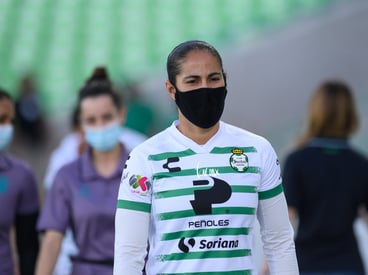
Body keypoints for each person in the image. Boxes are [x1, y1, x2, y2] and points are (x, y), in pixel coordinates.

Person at [114, 40, 299, 274]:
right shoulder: (144, 158)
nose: (205, 89)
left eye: (213, 79)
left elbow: (279, 240)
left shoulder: (257, 150)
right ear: (172, 89)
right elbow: (129, 251)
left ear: (225, 80)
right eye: (192, 81)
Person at [41, 67, 148, 275]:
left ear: (121, 114)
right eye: (91, 120)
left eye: (106, 117)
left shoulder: (142, 157)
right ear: (81, 124)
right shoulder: (65, 165)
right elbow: (52, 236)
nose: (100, 126)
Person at [282, 80, 368, 274]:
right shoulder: (366, 166)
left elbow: (285, 223)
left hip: (308, 266)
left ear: (315, 114)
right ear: (351, 116)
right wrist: (362, 211)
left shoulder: (296, 160)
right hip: (349, 266)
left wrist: (267, 266)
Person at [0, 88, 39, 275]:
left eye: (10, 120)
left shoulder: (21, 175)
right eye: (1, 120)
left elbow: (28, 247)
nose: (7, 127)